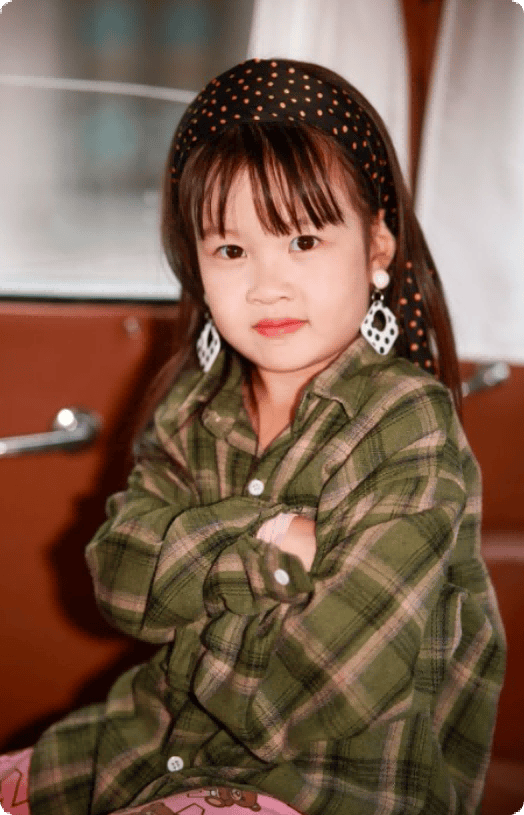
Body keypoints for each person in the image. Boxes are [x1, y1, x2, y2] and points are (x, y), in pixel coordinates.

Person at [3, 58, 505, 815]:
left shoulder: (407, 424)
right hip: (139, 746)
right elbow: (118, 573)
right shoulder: (192, 405)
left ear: (376, 247)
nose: (267, 286)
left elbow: (319, 686)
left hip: (321, 785)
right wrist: (264, 544)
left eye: (303, 240)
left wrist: (189, 590)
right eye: (232, 251)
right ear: (198, 266)